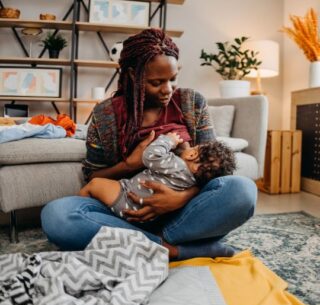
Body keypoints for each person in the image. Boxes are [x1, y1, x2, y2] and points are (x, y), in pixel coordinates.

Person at [41, 28, 257, 260]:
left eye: (172, 80)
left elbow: (211, 168)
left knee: (242, 191)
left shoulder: (191, 102)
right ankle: (171, 249)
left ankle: (141, 244)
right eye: (156, 82)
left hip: (182, 213)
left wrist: (179, 199)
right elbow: (93, 177)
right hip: (123, 211)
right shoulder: (106, 114)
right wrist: (129, 163)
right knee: (57, 215)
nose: (167, 90)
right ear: (134, 75)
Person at [78, 131, 236, 221]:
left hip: (127, 198)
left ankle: (78, 209)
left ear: (192, 154)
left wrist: (169, 140)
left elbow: (150, 155)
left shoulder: (177, 166)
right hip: (145, 213)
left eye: (193, 148)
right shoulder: (190, 181)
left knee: (95, 185)